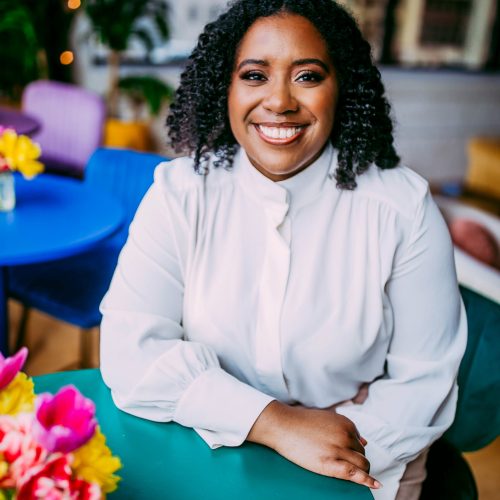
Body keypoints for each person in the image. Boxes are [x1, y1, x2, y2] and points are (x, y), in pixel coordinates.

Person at [99, 1, 467, 499]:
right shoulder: (179, 193)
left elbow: (424, 384)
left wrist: (338, 445)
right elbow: (129, 352)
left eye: (308, 76)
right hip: (212, 449)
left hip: (369, 457)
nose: (279, 101)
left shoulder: (402, 208)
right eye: (254, 75)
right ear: (224, 88)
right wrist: (275, 423)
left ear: (343, 90)